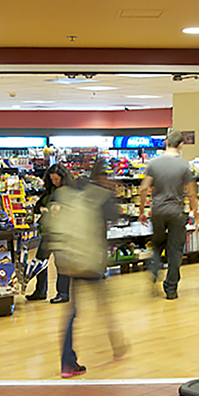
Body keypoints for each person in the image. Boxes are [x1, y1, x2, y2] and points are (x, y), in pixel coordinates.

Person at [49, 158, 130, 377]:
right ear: (104, 176)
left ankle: (67, 362)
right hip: (90, 260)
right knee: (105, 305)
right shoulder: (101, 197)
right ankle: (118, 346)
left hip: (70, 258)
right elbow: (117, 216)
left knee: (72, 312)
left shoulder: (74, 189)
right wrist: (112, 193)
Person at [138, 129, 199, 300]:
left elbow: (143, 188)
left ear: (166, 143)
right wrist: (196, 214)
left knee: (157, 243)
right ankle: (171, 289)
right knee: (175, 251)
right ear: (181, 144)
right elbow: (192, 193)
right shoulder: (184, 165)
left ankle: (153, 267)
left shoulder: (153, 164)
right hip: (176, 212)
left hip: (157, 211)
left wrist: (142, 211)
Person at [25, 163, 74, 304]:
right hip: (48, 231)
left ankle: (63, 293)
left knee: (62, 263)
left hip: (62, 232)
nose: (54, 182)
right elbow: (37, 205)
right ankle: (40, 291)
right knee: (40, 261)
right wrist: (42, 209)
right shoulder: (51, 190)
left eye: (57, 179)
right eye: (52, 179)